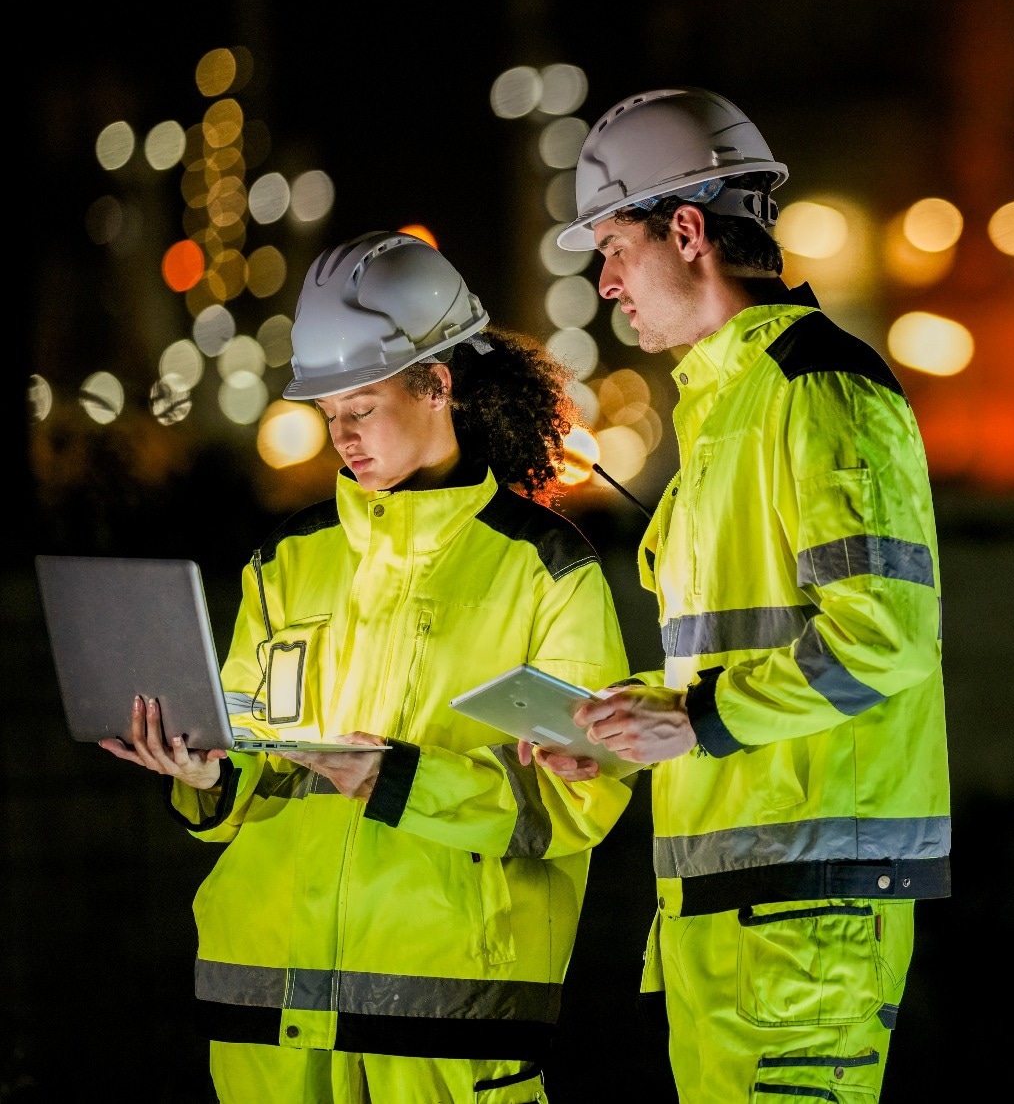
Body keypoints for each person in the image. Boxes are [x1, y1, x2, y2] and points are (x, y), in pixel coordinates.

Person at [102, 232, 631, 1104]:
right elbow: (250, 758)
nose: (342, 435)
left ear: (439, 383)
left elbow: (585, 790)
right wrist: (207, 774)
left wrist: (397, 781)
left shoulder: (544, 567)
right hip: (267, 1019)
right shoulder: (288, 558)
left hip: (444, 1024)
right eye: (328, 412)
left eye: (363, 405)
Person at [540, 89, 951, 1104]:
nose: (605, 283)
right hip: (729, 915)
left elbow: (884, 637)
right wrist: (621, 724)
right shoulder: (724, 413)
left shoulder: (819, 389)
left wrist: (690, 718)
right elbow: (732, 666)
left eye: (613, 249)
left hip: (804, 920)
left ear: (686, 230)